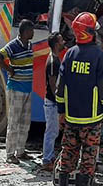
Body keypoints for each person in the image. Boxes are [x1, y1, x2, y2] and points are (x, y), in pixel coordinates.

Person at [55, 12, 103, 186]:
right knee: (88, 158)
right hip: (92, 120)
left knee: (68, 154)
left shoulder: (69, 55)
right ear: (91, 33)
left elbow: (60, 88)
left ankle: (63, 182)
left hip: (71, 117)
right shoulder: (99, 56)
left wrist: (61, 111)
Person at [0, 19, 35, 164]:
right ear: (24, 32)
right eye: (31, 30)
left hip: (28, 88)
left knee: (25, 122)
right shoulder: (13, 45)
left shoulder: (29, 45)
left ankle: (21, 151)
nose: (33, 33)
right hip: (16, 88)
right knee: (14, 122)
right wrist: (9, 70)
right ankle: (10, 154)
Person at [41, 32, 64, 171]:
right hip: (52, 102)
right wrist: (59, 102)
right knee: (51, 131)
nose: (63, 42)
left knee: (53, 131)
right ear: (56, 44)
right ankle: (46, 159)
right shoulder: (52, 62)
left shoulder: (55, 59)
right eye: (61, 40)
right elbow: (52, 84)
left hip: (53, 102)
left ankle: (49, 156)